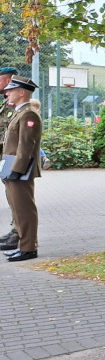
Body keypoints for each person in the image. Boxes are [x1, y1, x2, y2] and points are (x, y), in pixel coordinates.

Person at [1, 75, 43, 261]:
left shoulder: (28, 114)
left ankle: (28, 249)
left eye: (10, 90)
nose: (6, 93)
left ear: (21, 92)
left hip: (20, 170)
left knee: (24, 210)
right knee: (18, 210)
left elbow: (26, 146)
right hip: (12, 168)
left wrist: (16, 170)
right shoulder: (19, 112)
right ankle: (23, 246)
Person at [0, 67, 20, 247]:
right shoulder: (6, 104)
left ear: (7, 81)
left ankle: (18, 234)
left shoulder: (19, 105)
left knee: (17, 195)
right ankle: (15, 230)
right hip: (6, 157)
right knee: (10, 193)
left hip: (13, 156)